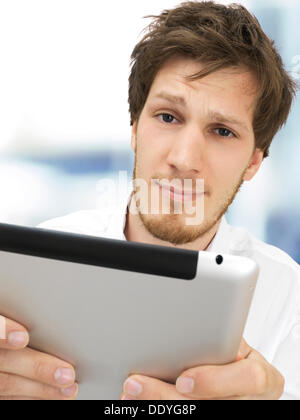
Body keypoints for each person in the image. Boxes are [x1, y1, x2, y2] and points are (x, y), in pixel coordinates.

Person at [0, 0, 299, 400]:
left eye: (222, 131)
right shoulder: (33, 270)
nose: (184, 159)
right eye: (168, 117)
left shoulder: (288, 300)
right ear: (135, 128)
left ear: (253, 163)